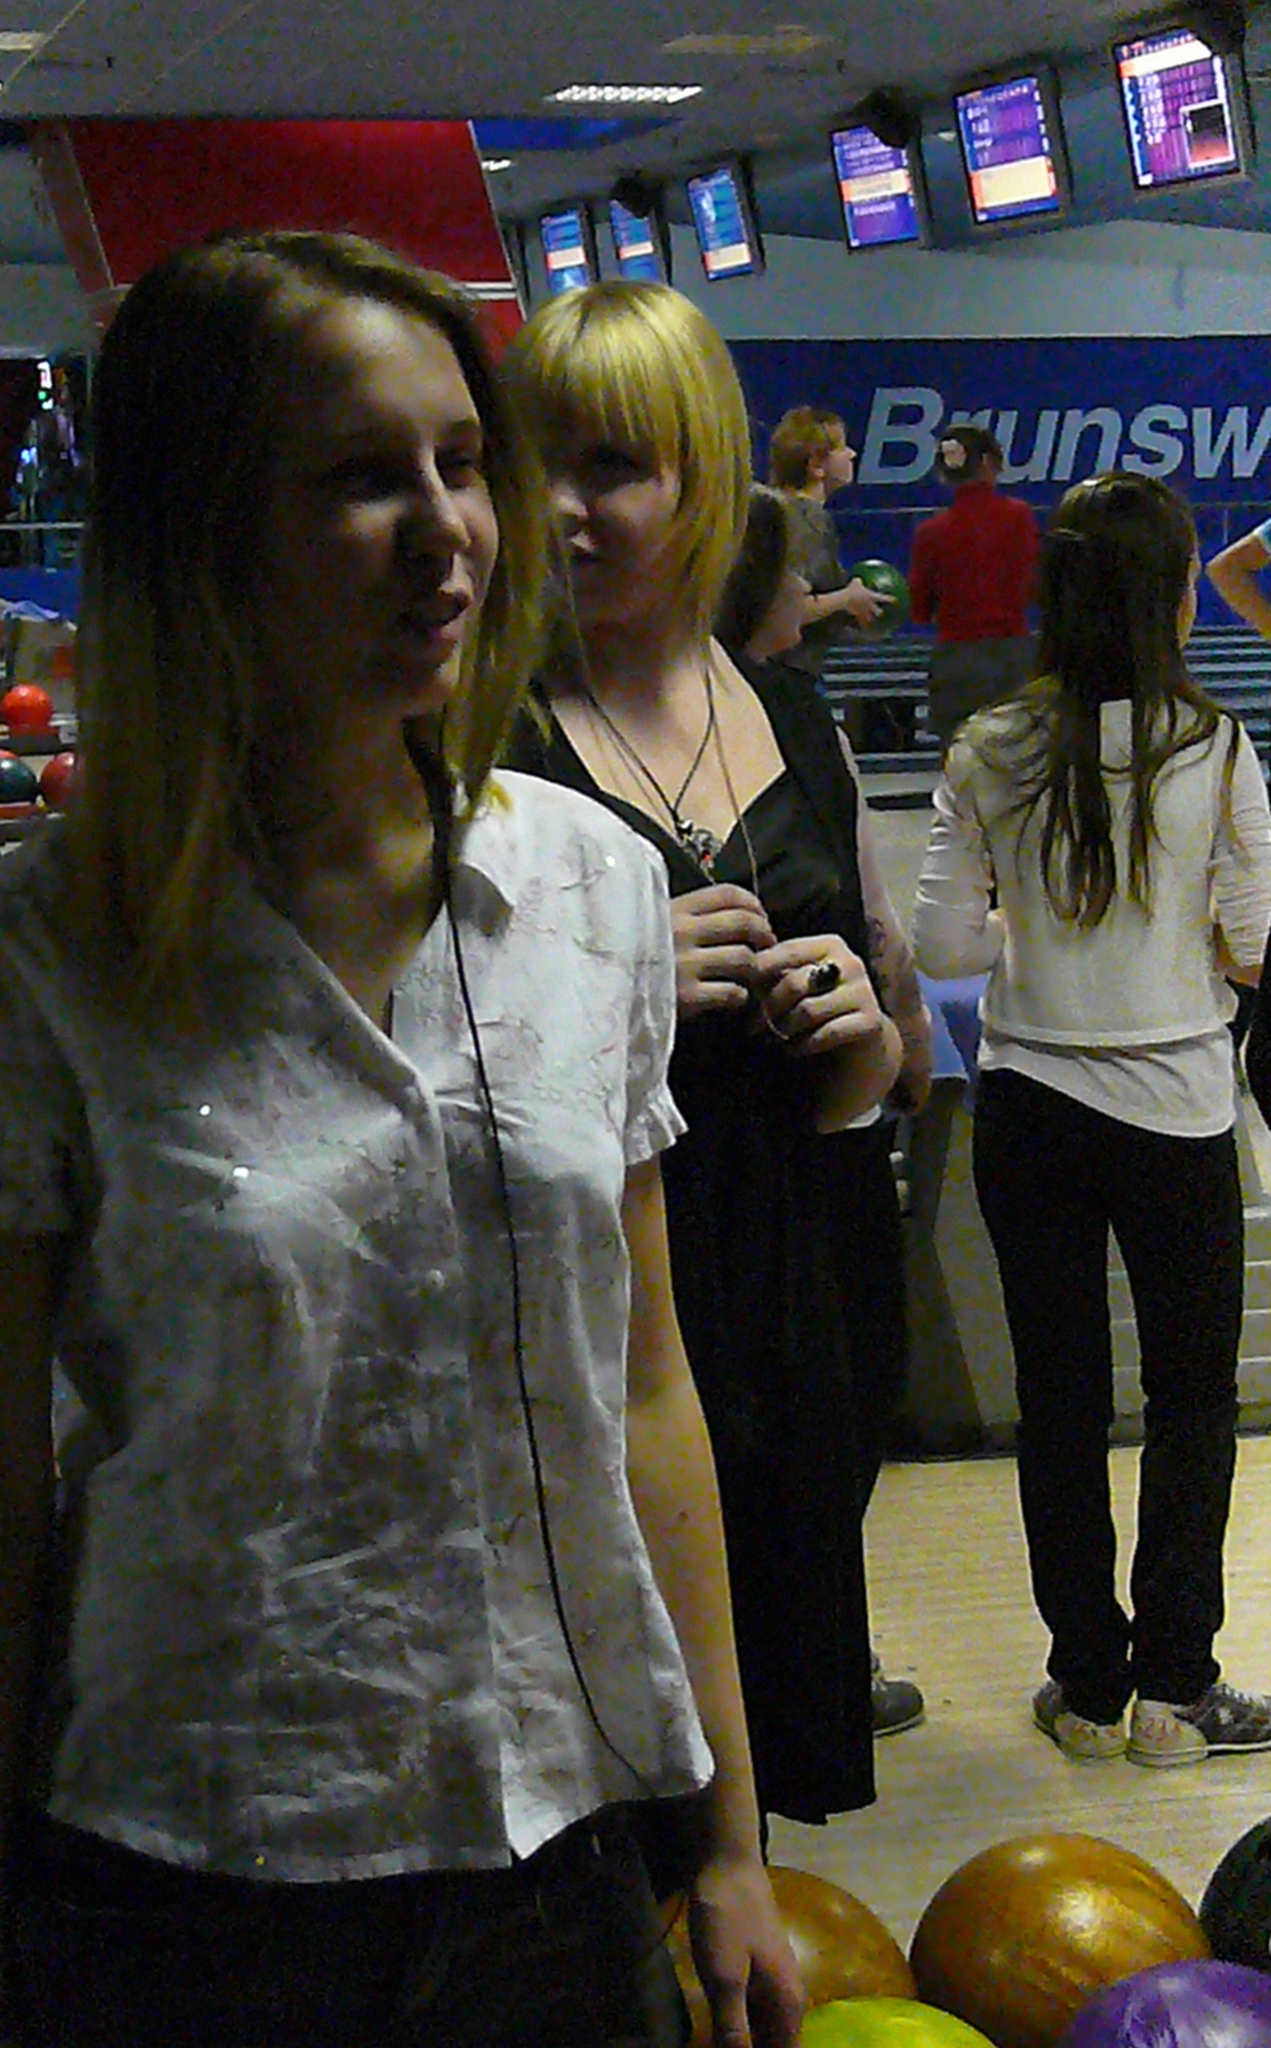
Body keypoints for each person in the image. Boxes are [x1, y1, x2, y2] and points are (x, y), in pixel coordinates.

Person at [0, 231, 806, 2048]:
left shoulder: (591, 891)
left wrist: (731, 1840)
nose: (449, 530)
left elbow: (644, 1392)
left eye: (463, 462)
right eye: (363, 477)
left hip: (554, 1865)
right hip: (186, 1891)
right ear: (198, 529)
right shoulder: (14, 973)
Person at [501, 279, 906, 1821]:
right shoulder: (479, 732)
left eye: (609, 466)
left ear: (702, 477)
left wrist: (858, 1042)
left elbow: (857, 1089)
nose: (560, 507)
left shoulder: (791, 716)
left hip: (792, 1286)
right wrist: (611, 979)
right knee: (614, 1783)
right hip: (588, 1304)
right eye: (532, 463)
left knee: (762, 1771)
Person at [912, 471, 1271, 1768]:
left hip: (1032, 1106)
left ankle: (1086, 1687)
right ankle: (1177, 1693)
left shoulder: (989, 745)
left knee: (1059, 1404)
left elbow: (944, 943)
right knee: (1190, 1402)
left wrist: (1036, 932)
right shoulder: (1214, 745)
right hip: (1176, 1110)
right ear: (1178, 599)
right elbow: (1255, 944)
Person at [718, 486, 933, 1722]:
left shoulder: (791, 716)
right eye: (797, 577)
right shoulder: (792, 724)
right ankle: (805, 1649)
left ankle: (805, 1646)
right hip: (796, 1147)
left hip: (815, 1113)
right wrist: (908, 1042)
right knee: (838, 1390)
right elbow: (880, 925)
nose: (812, 593)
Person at [908, 423, 1041, 756]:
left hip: (955, 664)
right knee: (1019, 767)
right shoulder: (1020, 516)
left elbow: (919, 610)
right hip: (1012, 659)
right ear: (987, 463)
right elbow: (1033, 586)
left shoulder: (930, 531)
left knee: (959, 766)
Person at [766, 404, 886, 685]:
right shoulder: (806, 520)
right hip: (783, 679)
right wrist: (847, 598)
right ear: (816, 465)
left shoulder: (775, 510)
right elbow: (788, 610)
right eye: (842, 447)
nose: (852, 454)